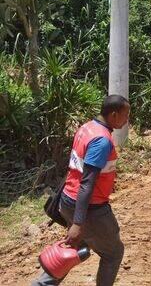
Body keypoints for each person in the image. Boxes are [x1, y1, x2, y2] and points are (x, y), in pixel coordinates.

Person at [32, 95, 130, 286]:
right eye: (125, 116)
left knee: (76, 249)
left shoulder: (87, 128)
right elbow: (87, 182)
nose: (127, 120)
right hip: (90, 208)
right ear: (113, 114)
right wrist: (78, 223)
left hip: (68, 200)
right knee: (113, 253)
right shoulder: (101, 141)